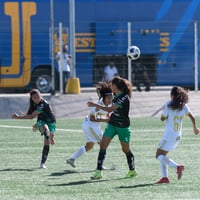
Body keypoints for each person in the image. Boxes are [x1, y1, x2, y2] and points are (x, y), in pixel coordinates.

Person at [88, 76, 137, 179]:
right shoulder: (115, 94)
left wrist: (94, 105)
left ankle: (132, 170)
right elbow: (110, 107)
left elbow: (110, 109)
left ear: (116, 86)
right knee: (103, 145)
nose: (111, 86)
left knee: (125, 149)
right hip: (112, 124)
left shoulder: (124, 97)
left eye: (112, 84)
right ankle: (98, 172)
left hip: (123, 127)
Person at [155, 86, 199, 184]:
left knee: (158, 155)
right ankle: (165, 178)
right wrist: (195, 128)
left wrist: (165, 116)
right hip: (177, 136)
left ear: (172, 95)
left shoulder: (168, 104)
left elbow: (162, 118)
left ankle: (177, 167)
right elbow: (192, 117)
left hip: (168, 135)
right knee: (163, 155)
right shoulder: (184, 105)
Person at [66, 83, 113, 168]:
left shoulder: (110, 105)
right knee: (103, 144)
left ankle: (72, 159)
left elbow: (107, 115)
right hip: (90, 125)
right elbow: (92, 118)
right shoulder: (98, 105)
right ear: (104, 97)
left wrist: (108, 119)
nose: (110, 99)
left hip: (91, 126)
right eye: (109, 97)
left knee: (89, 146)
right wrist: (105, 120)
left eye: (111, 97)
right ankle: (100, 165)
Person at [11, 89, 56, 169]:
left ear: (40, 95)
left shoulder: (43, 104)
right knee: (47, 136)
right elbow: (31, 116)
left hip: (51, 122)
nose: (36, 98)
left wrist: (18, 117)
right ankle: (42, 164)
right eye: (34, 97)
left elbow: (31, 117)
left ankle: (43, 162)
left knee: (49, 139)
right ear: (32, 99)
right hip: (42, 121)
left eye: (37, 96)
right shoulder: (35, 105)